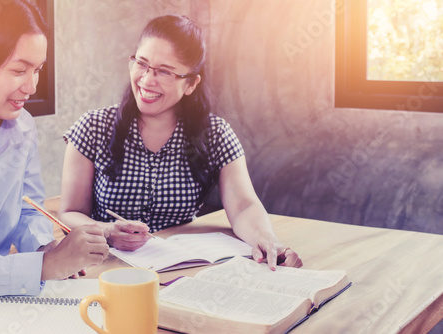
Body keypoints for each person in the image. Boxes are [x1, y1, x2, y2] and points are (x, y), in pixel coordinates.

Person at [60, 15, 302, 269]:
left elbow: (243, 206)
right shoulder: (93, 126)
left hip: (183, 268)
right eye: (141, 63)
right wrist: (107, 230)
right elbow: (69, 213)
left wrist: (266, 239)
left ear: (190, 84)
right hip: (106, 268)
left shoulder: (216, 134)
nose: (146, 80)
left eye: (164, 71)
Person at [0, 0, 109, 300]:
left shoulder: (23, 128)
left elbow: (27, 209)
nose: (31, 87)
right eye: (19, 70)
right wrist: (43, 266)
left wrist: (46, 247)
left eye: (38, 70)